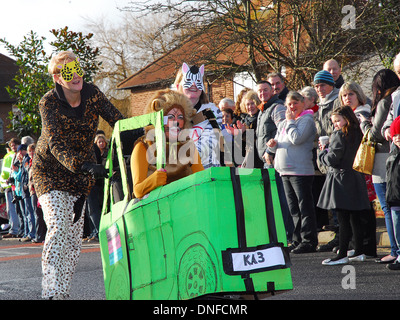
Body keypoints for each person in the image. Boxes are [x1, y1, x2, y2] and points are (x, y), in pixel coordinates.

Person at [32, 50, 124, 300]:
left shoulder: (92, 94)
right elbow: (55, 143)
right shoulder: (48, 102)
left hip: (80, 178)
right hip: (50, 173)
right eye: (67, 71)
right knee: (59, 226)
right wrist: (82, 165)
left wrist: (135, 138)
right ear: (58, 78)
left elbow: (117, 120)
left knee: (73, 243)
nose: (75, 75)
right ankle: (50, 292)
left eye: (77, 68)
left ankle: (62, 294)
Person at [318, 106, 371, 265]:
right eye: (333, 121)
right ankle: (359, 251)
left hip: (341, 179)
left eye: (337, 120)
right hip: (355, 177)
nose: (335, 124)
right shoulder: (358, 132)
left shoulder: (339, 135)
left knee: (343, 219)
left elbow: (333, 159)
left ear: (346, 119)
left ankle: (342, 254)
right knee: (354, 217)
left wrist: (322, 153)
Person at [266, 91, 318, 253]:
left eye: (295, 103)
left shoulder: (307, 120)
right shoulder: (284, 123)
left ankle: (309, 240)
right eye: (289, 104)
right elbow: (278, 142)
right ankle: (297, 239)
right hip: (284, 171)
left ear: (303, 103)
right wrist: (271, 145)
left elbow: (297, 139)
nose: (292, 107)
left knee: (304, 207)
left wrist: (289, 122)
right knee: (293, 209)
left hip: (300, 171)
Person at [130, 89, 204, 199]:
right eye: (170, 117)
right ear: (158, 119)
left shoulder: (188, 146)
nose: (176, 122)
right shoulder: (143, 146)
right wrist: (153, 181)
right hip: (155, 209)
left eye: (180, 117)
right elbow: (137, 191)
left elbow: (202, 180)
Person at [360, 69, 400, 263]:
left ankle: (394, 250)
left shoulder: (385, 101)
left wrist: (363, 125)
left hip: (382, 159)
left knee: (388, 207)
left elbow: (375, 133)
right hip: (388, 157)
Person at [174, 63, 230, 169]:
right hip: (178, 178)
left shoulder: (212, 112)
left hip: (206, 175)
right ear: (178, 86)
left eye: (198, 81)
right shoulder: (169, 114)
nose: (194, 85)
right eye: (188, 81)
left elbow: (205, 150)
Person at [385, 116, 400, 270]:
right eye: (395, 135)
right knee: (398, 231)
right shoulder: (392, 156)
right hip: (395, 200)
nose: (398, 138)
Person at [0, 138, 20, 238]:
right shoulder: (10, 155)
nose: (13, 147)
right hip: (9, 185)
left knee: (14, 210)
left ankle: (15, 230)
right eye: (11, 145)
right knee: (12, 210)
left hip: (13, 186)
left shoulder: (11, 155)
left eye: (15, 145)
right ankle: (14, 229)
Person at [16, 144, 36, 242]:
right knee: (26, 213)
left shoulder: (27, 160)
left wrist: (26, 184)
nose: (19, 153)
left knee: (30, 212)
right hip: (24, 190)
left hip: (28, 189)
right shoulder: (24, 160)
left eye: (21, 151)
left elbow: (27, 173)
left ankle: (32, 233)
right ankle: (27, 232)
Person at [27, 143, 46, 243]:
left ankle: (40, 236)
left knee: (39, 214)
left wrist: (32, 184)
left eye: (33, 150)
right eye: (29, 151)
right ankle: (39, 235)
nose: (31, 153)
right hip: (32, 191)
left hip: (37, 191)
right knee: (36, 214)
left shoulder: (37, 162)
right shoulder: (30, 162)